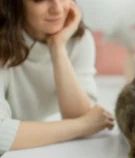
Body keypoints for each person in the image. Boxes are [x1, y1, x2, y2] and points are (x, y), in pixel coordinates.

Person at [0, 0, 114, 155]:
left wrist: (58, 47)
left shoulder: (78, 39)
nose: (58, 9)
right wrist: (83, 125)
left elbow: (79, 116)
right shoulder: (3, 45)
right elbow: (1, 135)